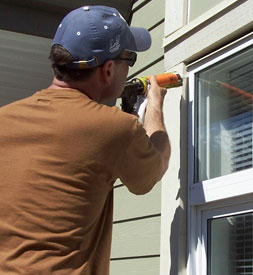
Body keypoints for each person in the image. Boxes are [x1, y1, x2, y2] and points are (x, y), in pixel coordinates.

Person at [0, 5, 170, 275]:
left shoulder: (4, 118)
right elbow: (154, 169)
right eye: (130, 60)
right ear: (109, 69)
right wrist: (155, 107)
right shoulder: (116, 128)